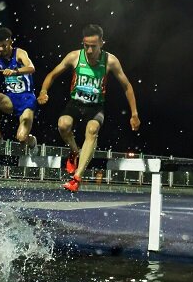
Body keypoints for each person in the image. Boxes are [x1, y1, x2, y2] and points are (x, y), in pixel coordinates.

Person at [38, 24, 140, 192]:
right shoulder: (74, 57)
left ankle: (77, 177)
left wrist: (134, 114)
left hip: (95, 107)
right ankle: (75, 151)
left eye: (94, 46)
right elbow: (52, 74)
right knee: (63, 125)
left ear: (102, 43)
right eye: (86, 46)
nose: (90, 50)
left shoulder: (110, 61)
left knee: (92, 130)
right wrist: (43, 91)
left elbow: (127, 86)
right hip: (75, 104)